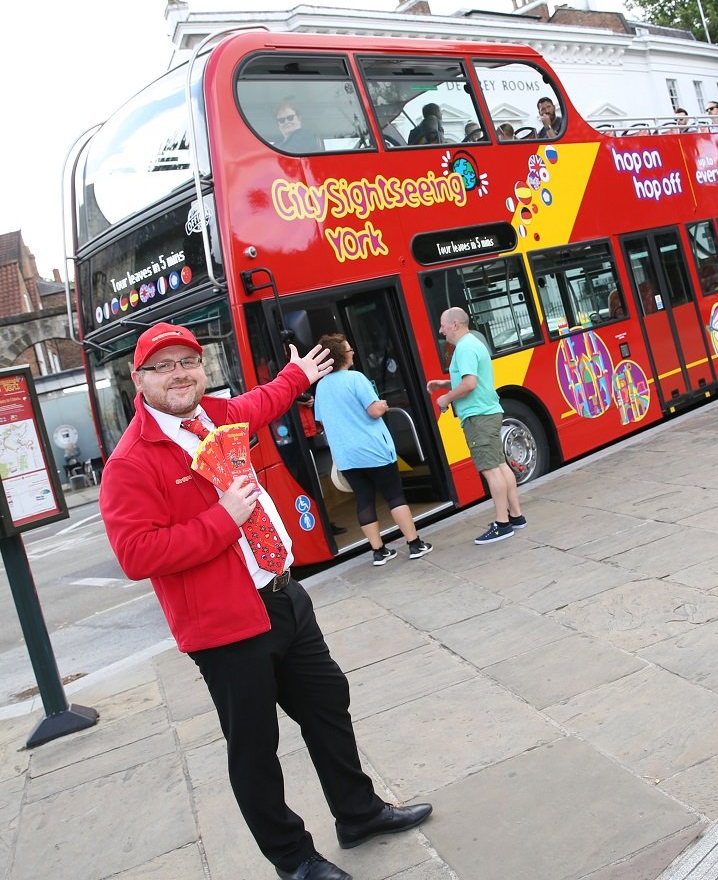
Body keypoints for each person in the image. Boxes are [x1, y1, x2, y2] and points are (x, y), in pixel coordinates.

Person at [100, 322, 431, 880]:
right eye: (163, 366)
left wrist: (298, 374)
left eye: (188, 362)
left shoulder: (220, 416)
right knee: (254, 750)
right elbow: (136, 553)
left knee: (329, 704)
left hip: (283, 596)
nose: (179, 374)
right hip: (224, 626)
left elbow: (267, 400)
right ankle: (295, 860)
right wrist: (221, 520)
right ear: (138, 380)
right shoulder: (130, 463)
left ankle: (359, 814)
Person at [312, 333, 432, 566]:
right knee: (394, 495)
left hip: (347, 456)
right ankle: (414, 544)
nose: (353, 351)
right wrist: (383, 405)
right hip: (372, 449)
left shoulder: (321, 387)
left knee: (364, 499)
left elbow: (323, 421)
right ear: (341, 356)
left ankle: (379, 551)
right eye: (349, 349)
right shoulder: (355, 378)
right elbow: (374, 410)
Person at [428, 307, 527, 544]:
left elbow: (470, 383)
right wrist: (444, 383)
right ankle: (516, 516)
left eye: (442, 325)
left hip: (478, 416)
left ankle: (502, 524)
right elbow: (472, 377)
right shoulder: (473, 343)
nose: (440, 330)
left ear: (454, 324)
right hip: (489, 411)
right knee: (500, 465)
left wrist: (446, 398)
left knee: (490, 469)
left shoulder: (463, 348)